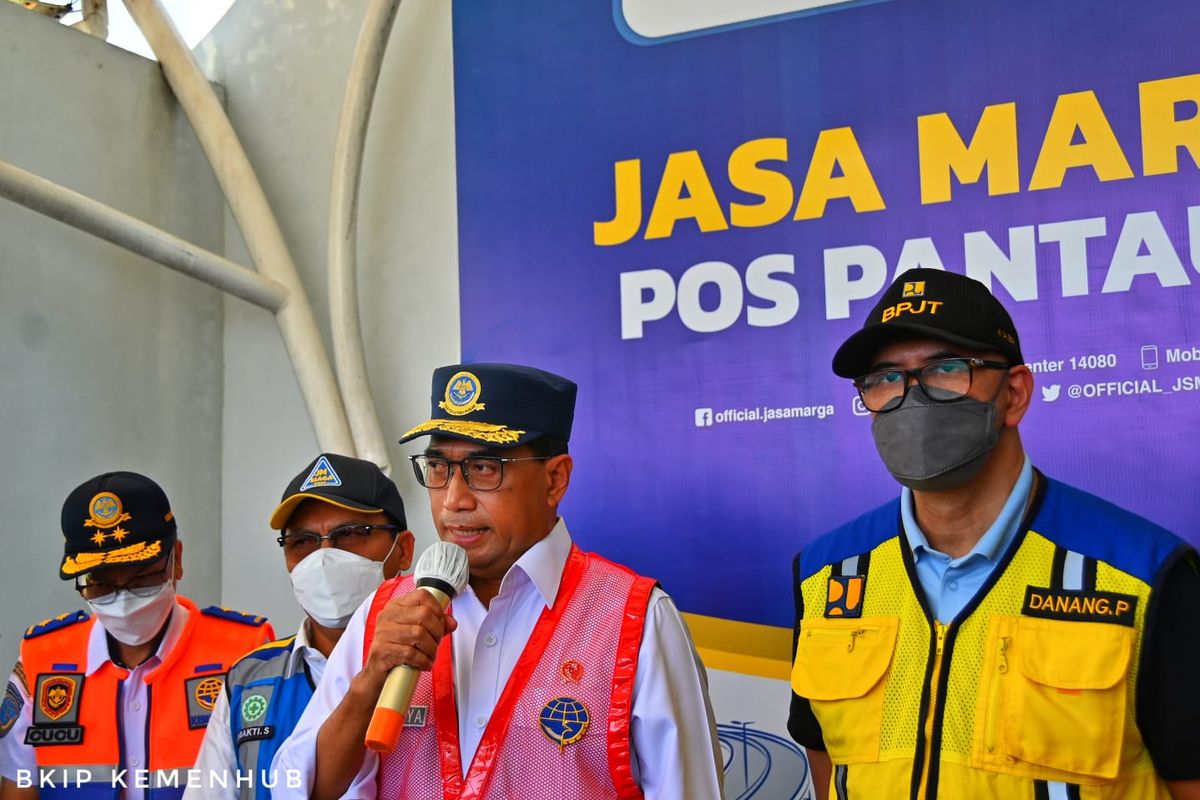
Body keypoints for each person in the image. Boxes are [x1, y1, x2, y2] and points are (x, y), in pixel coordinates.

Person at [788, 268, 1200, 799]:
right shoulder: (826, 574)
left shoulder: (1145, 574)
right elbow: (829, 769)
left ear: (1015, 393)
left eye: (945, 370)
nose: (910, 399)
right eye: (885, 378)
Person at [274, 363, 724, 799]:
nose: (453, 500)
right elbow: (304, 787)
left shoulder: (635, 619)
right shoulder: (386, 612)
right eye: (437, 469)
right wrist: (371, 679)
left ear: (554, 479)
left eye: (484, 468)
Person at [0, 471, 274, 800]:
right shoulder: (41, 658)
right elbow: (18, 788)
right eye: (101, 583)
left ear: (177, 561)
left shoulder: (244, 650)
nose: (123, 599)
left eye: (142, 578)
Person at [184, 454, 414, 799]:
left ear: (404, 550)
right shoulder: (250, 679)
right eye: (302, 542)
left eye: (349, 534)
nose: (322, 557)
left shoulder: (442, 663)